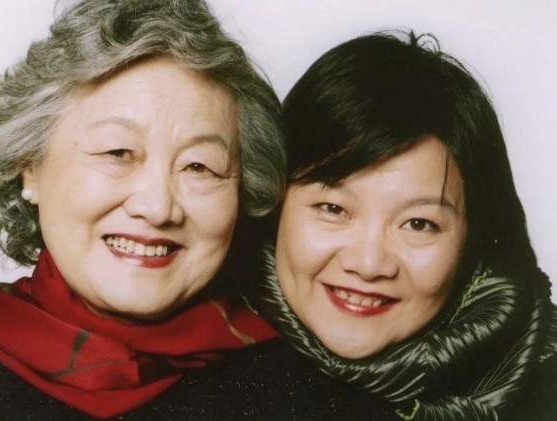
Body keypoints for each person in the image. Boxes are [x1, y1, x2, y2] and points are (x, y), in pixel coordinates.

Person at [137, 31, 557, 420]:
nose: (368, 263)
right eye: (333, 209)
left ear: (473, 238)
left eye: (418, 223)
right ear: (275, 206)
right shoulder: (182, 373)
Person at [0, 0, 286, 418]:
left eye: (199, 166)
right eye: (118, 152)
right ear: (30, 167)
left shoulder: (293, 386)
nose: (157, 208)